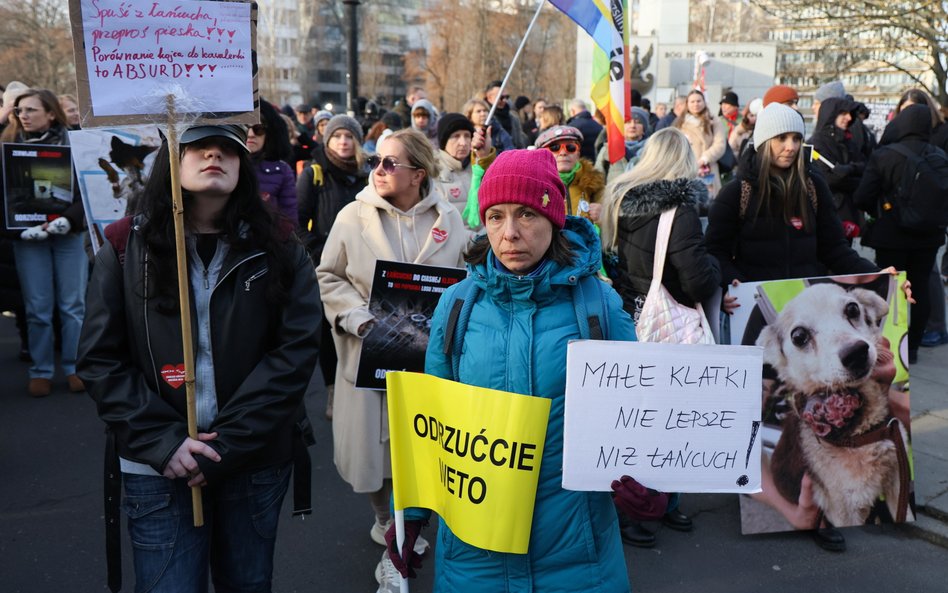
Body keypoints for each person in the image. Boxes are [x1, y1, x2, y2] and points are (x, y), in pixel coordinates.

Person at [381, 148, 655, 593]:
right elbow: (429, 424)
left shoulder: (599, 306)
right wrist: (409, 512)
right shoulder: (457, 306)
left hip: (578, 558)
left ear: (554, 219)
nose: (509, 233)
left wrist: (657, 489)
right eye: (496, 216)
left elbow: (641, 414)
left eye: (526, 214)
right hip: (474, 558)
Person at [77, 124, 320, 592]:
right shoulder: (125, 247)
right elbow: (100, 359)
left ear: (243, 163)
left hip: (253, 459)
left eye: (228, 147)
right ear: (173, 159)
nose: (214, 154)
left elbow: (295, 354)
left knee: (247, 584)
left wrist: (227, 445)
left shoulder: (282, 247)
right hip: (158, 466)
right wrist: (165, 443)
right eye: (198, 146)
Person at [705, 102, 880, 552]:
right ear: (763, 141)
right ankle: (751, 486)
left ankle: (818, 511)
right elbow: (715, 251)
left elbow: (836, 251)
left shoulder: (814, 187)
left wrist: (880, 275)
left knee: (816, 419)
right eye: (781, 138)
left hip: (815, 320)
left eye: (796, 138)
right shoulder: (738, 192)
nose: (789, 146)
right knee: (752, 407)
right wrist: (729, 280)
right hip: (757, 321)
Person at [315, 128, 468, 580]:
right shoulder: (352, 216)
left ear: (418, 174)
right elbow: (329, 275)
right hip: (369, 353)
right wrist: (354, 316)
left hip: (427, 359)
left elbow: (464, 277)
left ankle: (406, 527)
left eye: (389, 163)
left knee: (419, 450)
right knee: (372, 455)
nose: (378, 170)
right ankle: (385, 519)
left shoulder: (449, 219)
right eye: (375, 161)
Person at [2, 89, 87, 397]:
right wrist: (18, 231)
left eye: (31, 110)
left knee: (72, 305)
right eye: (19, 110)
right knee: (37, 308)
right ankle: (41, 370)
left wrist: (70, 219)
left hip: (68, 235)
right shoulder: (7, 147)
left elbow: (88, 188)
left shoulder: (75, 144)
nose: (23, 115)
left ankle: (75, 366)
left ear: (51, 113)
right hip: (29, 238)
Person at [853, 104, 945, 364]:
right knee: (920, 290)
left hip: (891, 236)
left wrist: (882, 208)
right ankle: (912, 349)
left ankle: (892, 347)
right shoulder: (939, 156)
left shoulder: (885, 155)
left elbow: (862, 196)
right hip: (929, 236)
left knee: (890, 291)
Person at [298, 114, 369, 419]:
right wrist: (323, 253)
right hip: (325, 267)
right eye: (337, 136)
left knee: (360, 324)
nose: (343, 141)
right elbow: (298, 222)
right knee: (329, 329)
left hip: (361, 267)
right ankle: (332, 389)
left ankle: (356, 386)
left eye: (349, 136)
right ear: (327, 141)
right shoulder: (314, 173)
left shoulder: (368, 176)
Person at [807, 97, 865, 241]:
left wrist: (849, 169)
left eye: (850, 114)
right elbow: (828, 179)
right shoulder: (817, 142)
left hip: (848, 212)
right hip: (829, 211)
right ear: (831, 114)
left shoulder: (848, 141)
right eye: (843, 113)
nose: (849, 118)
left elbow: (864, 168)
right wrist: (853, 177)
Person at [435, 112, 494, 228]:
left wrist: (485, 156)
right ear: (444, 141)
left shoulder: (478, 169)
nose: (463, 143)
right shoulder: (433, 172)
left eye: (467, 136)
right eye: (456, 136)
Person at [535, 125, 606, 222]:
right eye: (555, 148)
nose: (563, 153)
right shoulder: (536, 186)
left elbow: (612, 223)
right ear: (544, 155)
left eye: (570, 147)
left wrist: (603, 216)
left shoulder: (594, 184)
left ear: (578, 154)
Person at [246, 100, 297, 223]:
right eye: (245, 127)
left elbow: (289, 221)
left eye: (258, 129)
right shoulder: (223, 165)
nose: (251, 134)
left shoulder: (282, 171)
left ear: (267, 134)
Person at [673, 90, 728, 198]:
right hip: (686, 168)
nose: (696, 104)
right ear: (687, 104)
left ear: (704, 102)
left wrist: (705, 158)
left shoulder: (713, 120)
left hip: (708, 168)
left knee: (709, 201)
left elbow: (720, 144)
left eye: (699, 101)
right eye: (692, 102)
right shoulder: (679, 122)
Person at [594, 107, 650, 184]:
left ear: (644, 128)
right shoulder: (608, 149)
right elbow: (597, 179)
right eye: (628, 122)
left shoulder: (653, 149)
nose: (632, 125)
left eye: (638, 122)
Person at [484, 80, 528, 148]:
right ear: (489, 97)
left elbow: (520, 144)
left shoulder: (513, 118)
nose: (504, 100)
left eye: (506, 97)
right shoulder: (484, 118)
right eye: (501, 97)